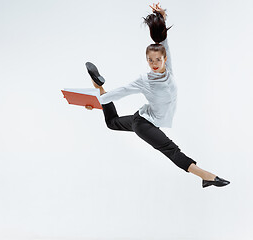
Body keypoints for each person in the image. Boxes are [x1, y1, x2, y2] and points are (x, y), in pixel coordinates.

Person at [84, 3, 230, 188]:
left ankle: (97, 84)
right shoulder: (144, 80)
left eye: (157, 59)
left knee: (111, 123)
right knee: (171, 150)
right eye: (150, 60)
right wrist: (92, 102)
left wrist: (161, 18)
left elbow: (164, 41)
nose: (154, 63)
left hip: (142, 118)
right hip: (145, 124)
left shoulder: (168, 70)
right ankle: (207, 176)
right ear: (147, 60)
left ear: (165, 59)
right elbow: (120, 92)